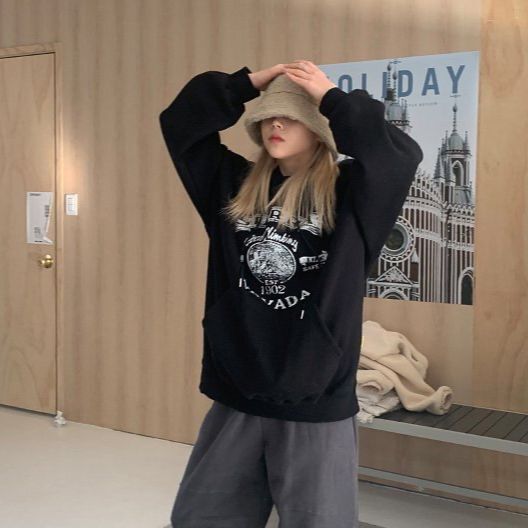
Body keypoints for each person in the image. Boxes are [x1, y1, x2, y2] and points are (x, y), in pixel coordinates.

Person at [159, 60, 423, 528]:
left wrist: (330, 98)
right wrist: (247, 84)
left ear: (318, 129)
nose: (275, 124)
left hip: (314, 396)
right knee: (202, 518)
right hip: (238, 388)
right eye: (268, 116)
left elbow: (399, 156)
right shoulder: (232, 185)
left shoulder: (353, 195)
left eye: (291, 116)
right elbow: (180, 123)